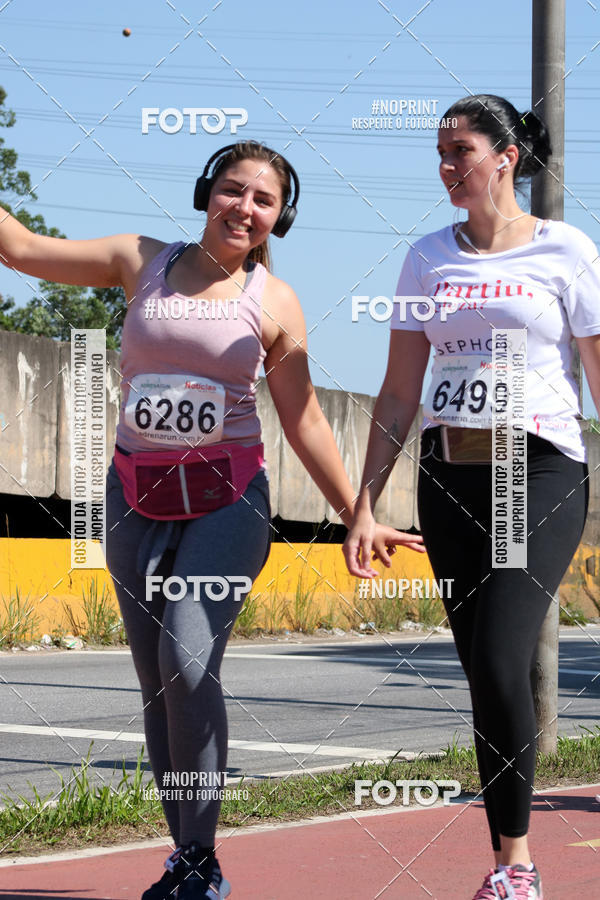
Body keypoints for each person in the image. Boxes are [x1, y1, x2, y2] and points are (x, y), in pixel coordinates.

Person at [0, 140, 424, 899]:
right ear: (207, 192)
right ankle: (187, 856)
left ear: (279, 218)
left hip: (229, 502)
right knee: (158, 686)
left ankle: (201, 855)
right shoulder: (142, 260)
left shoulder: (276, 301)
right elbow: (23, 249)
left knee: (188, 663)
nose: (246, 208)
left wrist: (356, 512)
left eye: (263, 200)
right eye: (234, 191)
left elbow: (305, 422)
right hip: (133, 496)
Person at [343, 95, 600, 900]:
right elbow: (395, 395)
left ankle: (516, 866)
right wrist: (363, 504)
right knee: (482, 672)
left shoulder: (566, 251)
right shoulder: (426, 257)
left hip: (538, 469)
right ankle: (505, 864)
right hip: (449, 473)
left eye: (462, 150)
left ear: (508, 155)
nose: (449, 166)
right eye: (441, 152)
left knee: (500, 655)